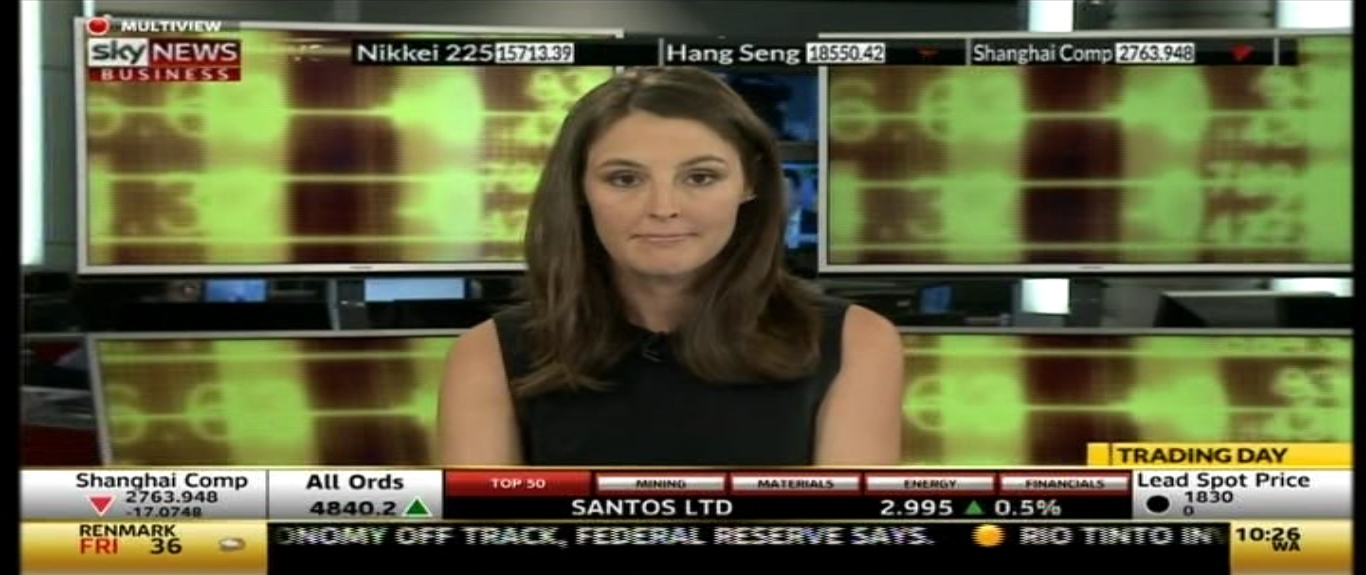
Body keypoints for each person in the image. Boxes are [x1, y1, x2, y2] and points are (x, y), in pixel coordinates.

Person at [439, 67, 905, 466]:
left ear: (751, 183)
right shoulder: (488, 354)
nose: (663, 208)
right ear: (579, 188)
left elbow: (847, 529)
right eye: (625, 178)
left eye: (700, 177)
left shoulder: (856, 342)